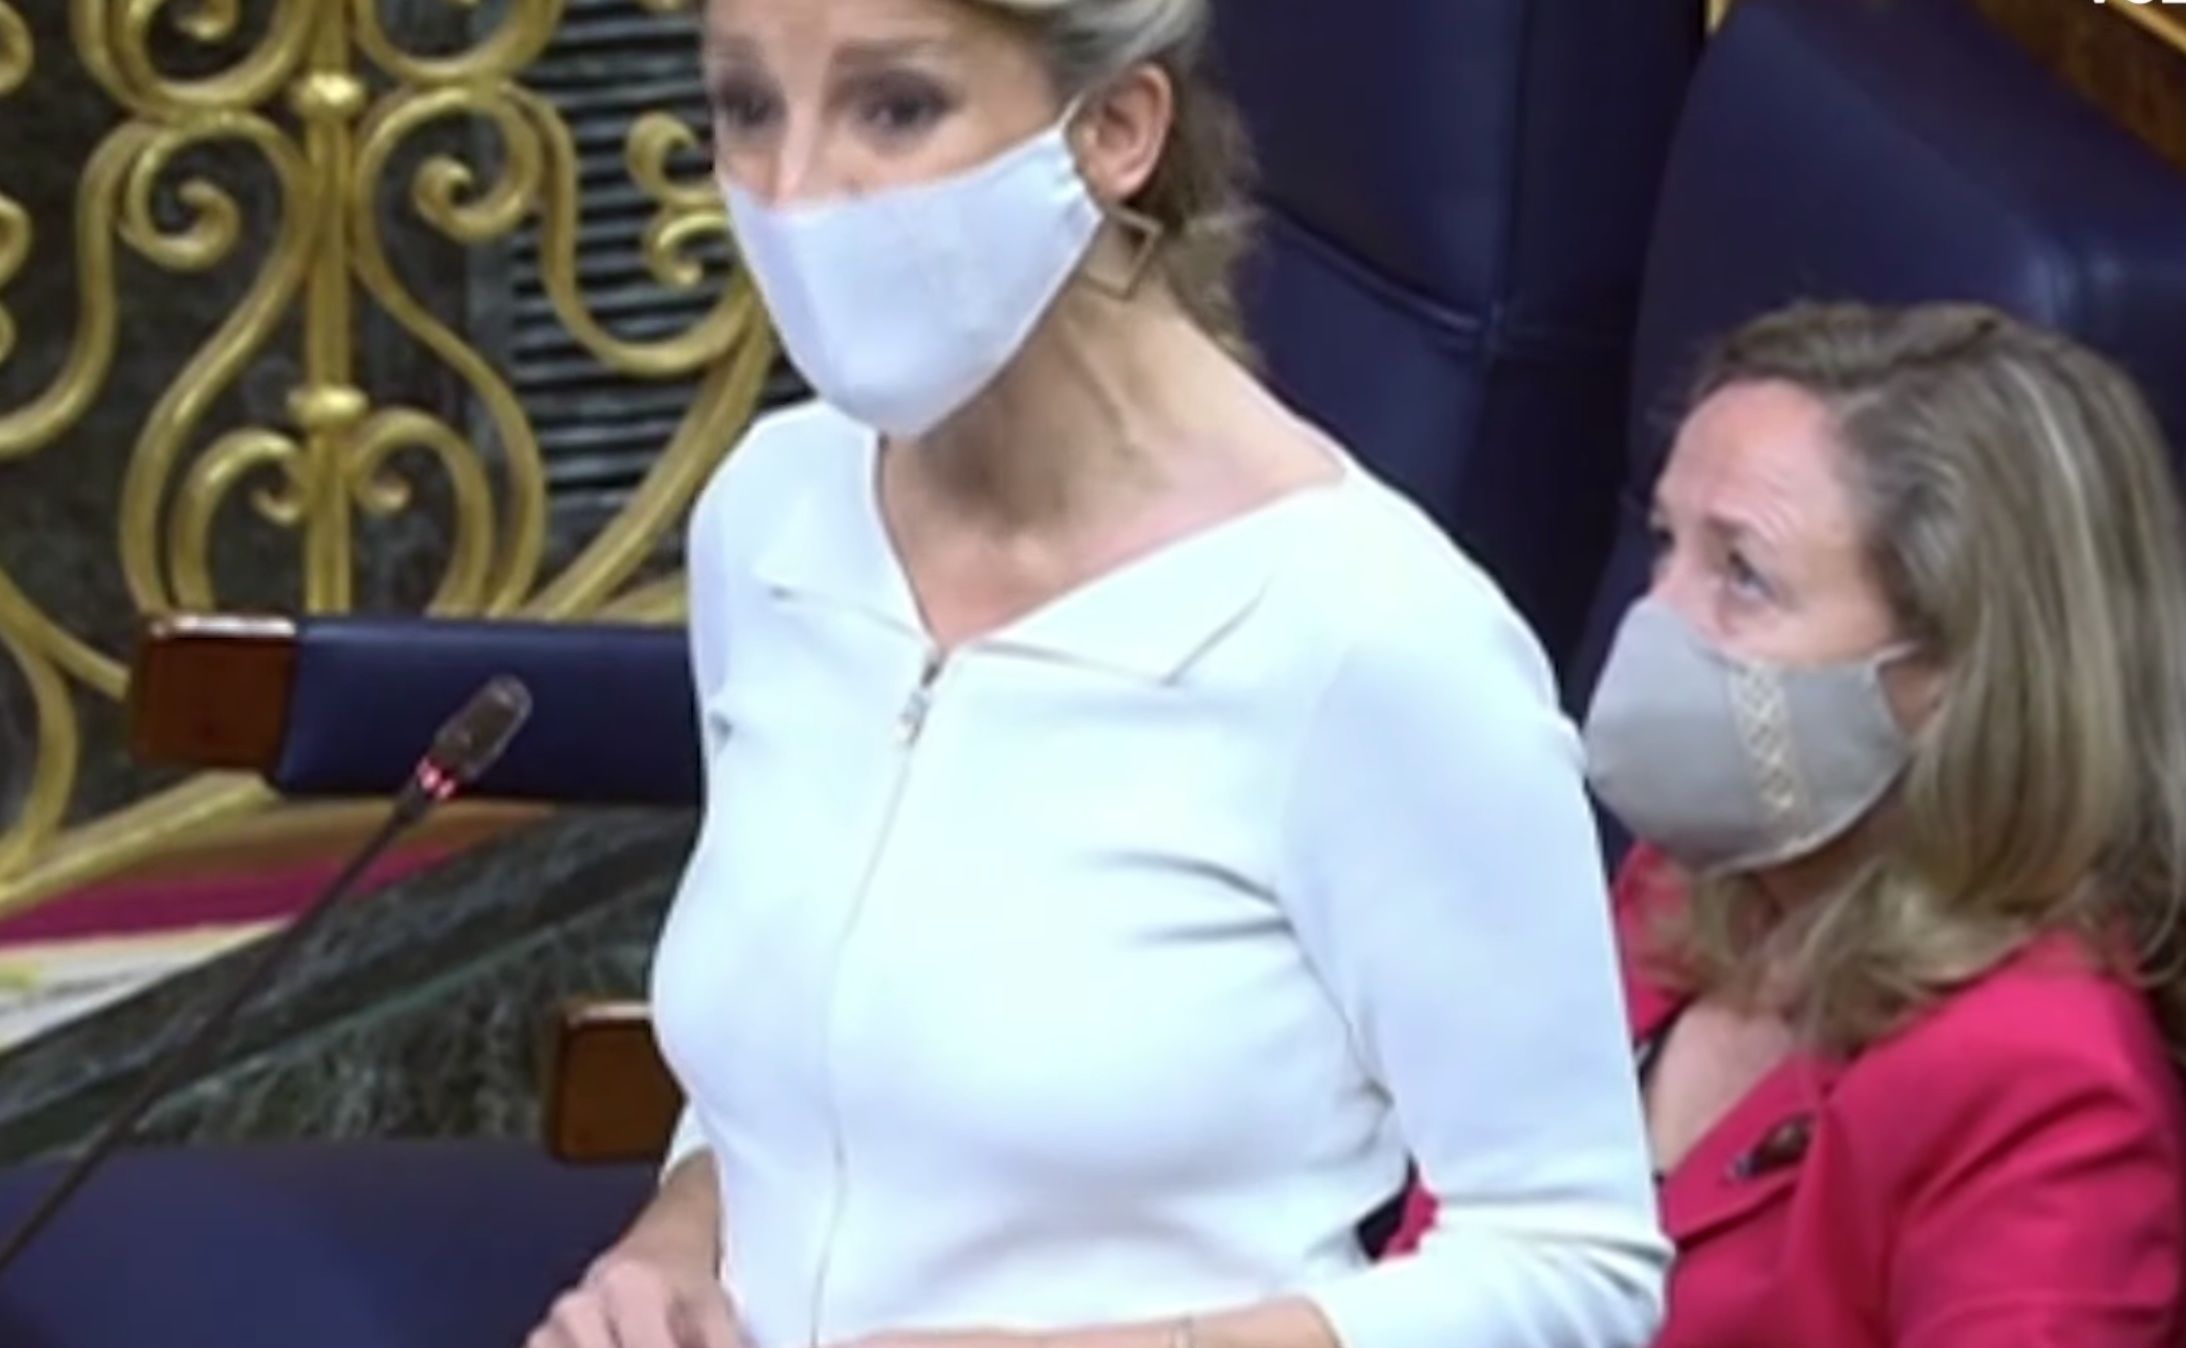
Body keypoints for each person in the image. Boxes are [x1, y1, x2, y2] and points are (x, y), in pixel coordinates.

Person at [525, 0, 1668, 1346]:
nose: (795, 191)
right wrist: (675, 1247)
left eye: (894, 108)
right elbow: (788, 1075)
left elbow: (1572, 1263)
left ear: (1116, 127)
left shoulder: (1373, 639)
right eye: (747, 108)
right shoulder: (771, 516)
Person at [1579, 301, 2186, 1343]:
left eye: (1741, 575)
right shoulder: (1681, 884)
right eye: (1665, 544)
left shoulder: (2048, 1089)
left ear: (1954, 673)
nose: (1656, 621)